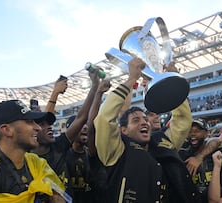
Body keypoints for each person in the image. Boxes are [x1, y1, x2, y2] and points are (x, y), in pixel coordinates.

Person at [94, 57, 197, 202]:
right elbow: (104, 118)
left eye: (145, 119)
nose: (144, 123)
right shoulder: (116, 149)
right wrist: (131, 79)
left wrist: (173, 82)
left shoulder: (163, 141)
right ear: (124, 130)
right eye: (136, 120)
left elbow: (183, 121)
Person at [0, 100, 66, 203]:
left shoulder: (36, 164)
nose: (38, 127)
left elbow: (60, 193)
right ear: (7, 130)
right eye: (29, 122)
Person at [31, 70, 100, 198]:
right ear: (33, 130)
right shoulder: (25, 159)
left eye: (49, 124)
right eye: (42, 125)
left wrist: (95, 86)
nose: (49, 127)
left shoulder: (58, 146)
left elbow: (81, 117)